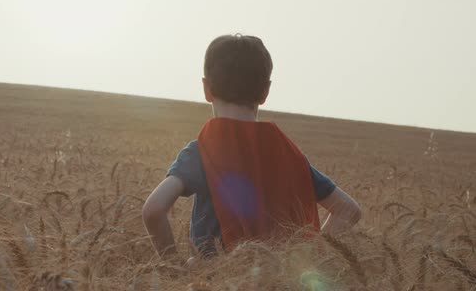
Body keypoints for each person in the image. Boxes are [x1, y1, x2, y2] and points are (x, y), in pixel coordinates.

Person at [142, 34, 361, 258]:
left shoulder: (202, 151)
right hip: (276, 279)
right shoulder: (287, 155)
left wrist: (175, 269)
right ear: (265, 91)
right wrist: (308, 254)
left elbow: (153, 210)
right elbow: (349, 210)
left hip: (213, 280)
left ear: (206, 89)